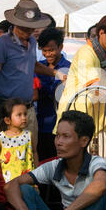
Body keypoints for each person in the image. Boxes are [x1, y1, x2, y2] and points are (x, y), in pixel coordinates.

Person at [4, 110, 106, 210]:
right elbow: (10, 186)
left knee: (96, 196)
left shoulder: (97, 164)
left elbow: (100, 186)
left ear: (83, 141)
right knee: (24, 190)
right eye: (57, 135)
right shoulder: (54, 166)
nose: (58, 142)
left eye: (66, 136)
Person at [0, 0, 63, 164]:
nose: (28, 30)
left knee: (31, 151)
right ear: (15, 23)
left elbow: (33, 65)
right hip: (7, 109)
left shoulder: (31, 42)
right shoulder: (2, 43)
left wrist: (57, 74)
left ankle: (32, 186)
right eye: (24, 26)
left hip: (28, 108)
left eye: (31, 27)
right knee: (5, 154)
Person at [54, 14, 106, 159]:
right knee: (101, 171)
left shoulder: (100, 56)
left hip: (92, 124)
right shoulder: (87, 54)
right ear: (101, 33)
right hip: (78, 126)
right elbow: (97, 89)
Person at [36, 27, 71, 161]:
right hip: (40, 125)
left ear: (60, 47)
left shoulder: (69, 68)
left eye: (51, 50)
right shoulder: (39, 67)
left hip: (59, 125)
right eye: (44, 51)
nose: (48, 54)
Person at [0, 98, 37, 183]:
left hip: (27, 179)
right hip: (8, 181)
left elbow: (34, 152)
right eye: (19, 115)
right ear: (7, 120)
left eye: (25, 114)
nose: (24, 118)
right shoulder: (2, 137)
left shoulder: (28, 135)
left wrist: (37, 169)